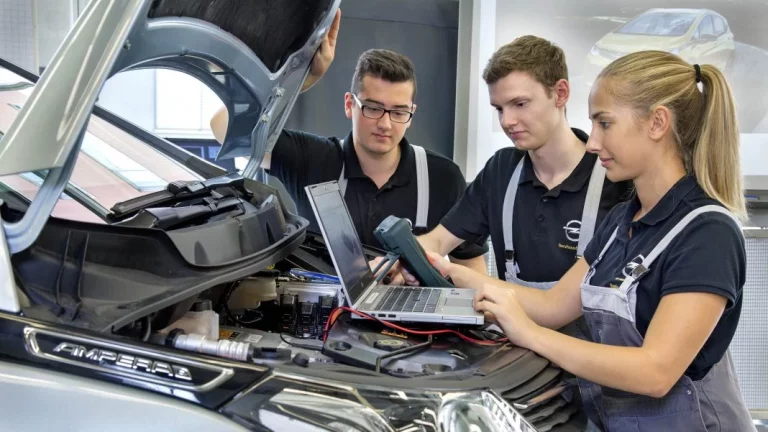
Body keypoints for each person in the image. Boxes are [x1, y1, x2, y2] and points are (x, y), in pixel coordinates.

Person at [423, 50, 755, 431]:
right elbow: (552, 306)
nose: (593, 143)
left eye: (605, 123)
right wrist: (455, 276)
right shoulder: (623, 220)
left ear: (658, 122)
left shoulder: (707, 232)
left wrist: (529, 334)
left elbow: (655, 372)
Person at [387, 36, 632, 334]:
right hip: (514, 356)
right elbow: (438, 241)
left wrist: (456, 274)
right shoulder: (502, 169)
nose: (507, 121)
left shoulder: (616, 179)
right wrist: (398, 260)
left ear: (561, 93)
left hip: (589, 366)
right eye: (499, 108)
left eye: (520, 104)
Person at [210, 11, 488, 272]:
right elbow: (223, 125)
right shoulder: (312, 160)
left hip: (413, 321)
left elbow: (471, 268)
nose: (385, 123)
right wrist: (301, 78)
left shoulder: (443, 177)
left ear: (411, 114)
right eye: (372, 107)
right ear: (349, 105)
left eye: (399, 111)